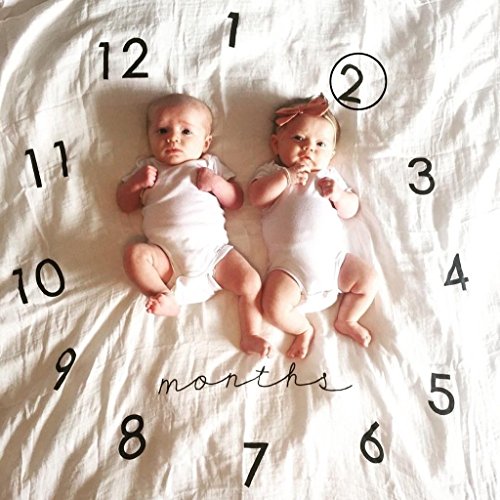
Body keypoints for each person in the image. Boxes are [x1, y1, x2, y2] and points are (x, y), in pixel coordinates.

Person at [116, 93, 271, 357]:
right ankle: (164, 296)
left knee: (250, 282)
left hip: (215, 257)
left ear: (205, 142)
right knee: (135, 254)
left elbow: (235, 201)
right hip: (167, 259)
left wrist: (217, 184)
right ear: (149, 136)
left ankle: (251, 334)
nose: (172, 138)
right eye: (162, 131)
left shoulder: (208, 164)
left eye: (186, 131)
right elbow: (125, 204)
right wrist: (135, 184)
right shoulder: (148, 168)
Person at [248, 94, 378, 359]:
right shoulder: (272, 173)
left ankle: (347, 319)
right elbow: (257, 197)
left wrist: (338, 195)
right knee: (272, 307)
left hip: (335, 264)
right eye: (298, 138)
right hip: (290, 269)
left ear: (331, 154)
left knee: (369, 279)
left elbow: (351, 209)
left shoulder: (329, 176)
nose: (309, 148)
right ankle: (303, 329)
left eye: (320, 144)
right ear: (276, 144)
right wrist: (286, 177)